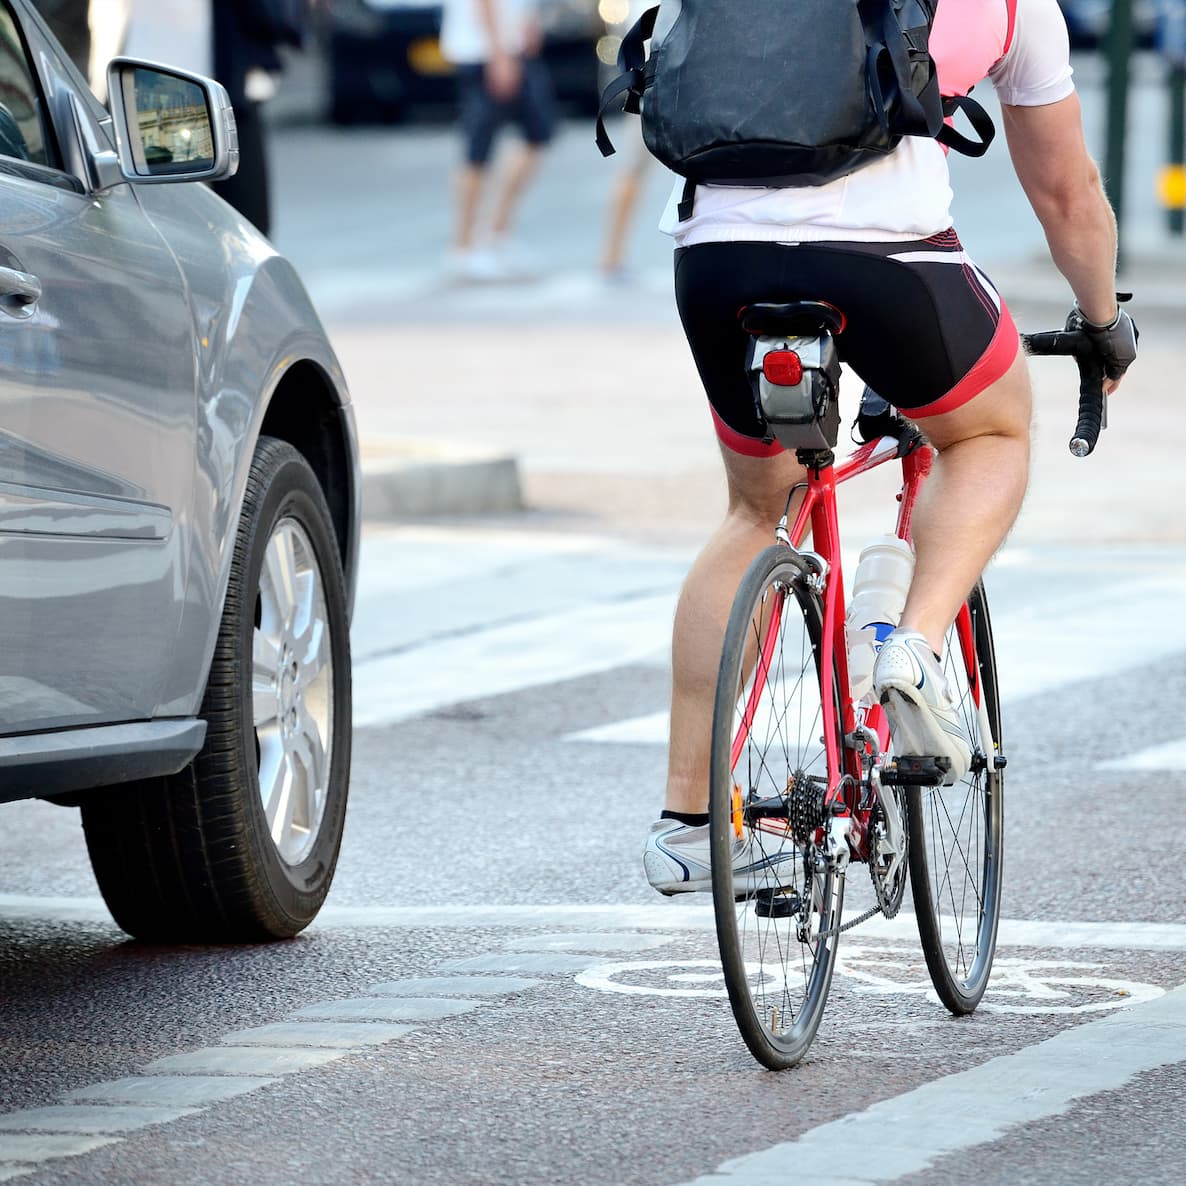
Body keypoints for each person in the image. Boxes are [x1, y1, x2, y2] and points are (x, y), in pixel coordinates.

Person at [642, 0, 1138, 894]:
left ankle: (685, 823)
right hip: (887, 261)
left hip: (717, 260)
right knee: (988, 430)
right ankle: (913, 647)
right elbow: (1067, 193)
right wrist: (1103, 321)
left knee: (758, 511)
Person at [440, 0, 556, 280]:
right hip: (484, 54)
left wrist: (527, 25)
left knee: (537, 134)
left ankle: (495, 234)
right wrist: (499, 54)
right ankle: (463, 248)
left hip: (509, 50)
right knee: (477, 152)